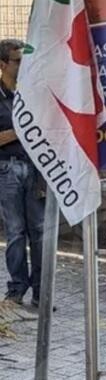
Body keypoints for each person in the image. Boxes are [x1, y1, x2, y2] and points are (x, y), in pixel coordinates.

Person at [0, 38, 44, 308]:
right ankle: (16, 289)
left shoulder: (33, 93)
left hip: (36, 167)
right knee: (16, 231)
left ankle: (41, 290)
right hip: (7, 168)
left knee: (39, 231)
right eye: (18, 61)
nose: (23, 66)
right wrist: (21, 129)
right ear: (3, 64)